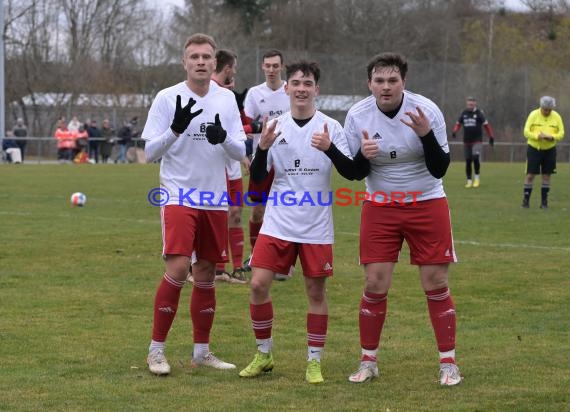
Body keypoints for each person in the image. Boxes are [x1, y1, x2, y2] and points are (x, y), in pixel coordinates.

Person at [239, 60, 370, 384]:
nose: (301, 88)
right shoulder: (274, 127)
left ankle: (314, 361)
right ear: (287, 88)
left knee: (315, 292)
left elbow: (353, 173)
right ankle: (264, 354)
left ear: (316, 90)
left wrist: (329, 150)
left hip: (315, 225)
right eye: (296, 83)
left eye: (307, 83)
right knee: (257, 284)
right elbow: (256, 180)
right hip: (278, 221)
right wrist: (263, 150)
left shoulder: (330, 127)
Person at [343, 52, 461, 386]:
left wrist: (425, 134)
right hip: (380, 206)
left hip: (427, 202)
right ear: (370, 84)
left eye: (392, 80)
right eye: (379, 80)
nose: (385, 87)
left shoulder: (426, 110)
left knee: (435, 282)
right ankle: (368, 362)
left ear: (403, 82)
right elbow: (354, 173)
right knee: (375, 283)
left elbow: (440, 167)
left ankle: (448, 364)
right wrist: (363, 158)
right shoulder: (357, 115)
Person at [141, 33, 246, 376]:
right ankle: (156, 351)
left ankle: (202, 351)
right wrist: (175, 129)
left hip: (214, 199)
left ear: (215, 63)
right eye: (194, 57)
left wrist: (224, 139)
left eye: (206, 56)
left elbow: (241, 152)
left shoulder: (227, 100)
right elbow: (151, 153)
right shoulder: (167, 98)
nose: (200, 61)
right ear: (184, 62)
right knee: (178, 267)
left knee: (205, 274)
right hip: (178, 195)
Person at [242, 49, 291, 280]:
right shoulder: (254, 93)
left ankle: (285, 263)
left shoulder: (291, 90)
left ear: (282, 67)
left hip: (288, 159)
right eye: (268, 65)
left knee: (286, 209)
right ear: (262, 67)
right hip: (262, 158)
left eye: (275, 65)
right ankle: (255, 256)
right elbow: (245, 125)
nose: (271, 70)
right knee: (258, 211)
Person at [210, 49, 249, 284]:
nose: (234, 72)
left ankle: (235, 269)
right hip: (216, 165)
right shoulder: (209, 93)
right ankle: (216, 267)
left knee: (235, 214)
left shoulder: (228, 95)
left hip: (232, 163)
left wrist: (243, 155)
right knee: (218, 215)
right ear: (227, 68)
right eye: (233, 67)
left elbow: (235, 128)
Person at [521, 96, 565, 209]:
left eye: (549, 109)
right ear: (541, 107)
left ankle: (544, 203)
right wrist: (537, 136)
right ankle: (526, 201)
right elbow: (526, 131)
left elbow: (561, 133)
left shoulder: (557, 117)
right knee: (530, 175)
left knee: (546, 175)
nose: (547, 111)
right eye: (545, 109)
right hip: (534, 148)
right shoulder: (533, 115)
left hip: (550, 150)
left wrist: (551, 137)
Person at [451, 96, 495, 188]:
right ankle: (469, 180)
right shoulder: (464, 113)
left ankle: (477, 179)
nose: (470, 104)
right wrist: (454, 131)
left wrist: (491, 136)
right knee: (468, 161)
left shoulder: (479, 113)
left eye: (472, 102)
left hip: (477, 140)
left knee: (475, 157)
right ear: (467, 103)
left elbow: (487, 126)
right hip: (467, 141)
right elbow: (458, 124)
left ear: (475, 103)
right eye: (469, 102)